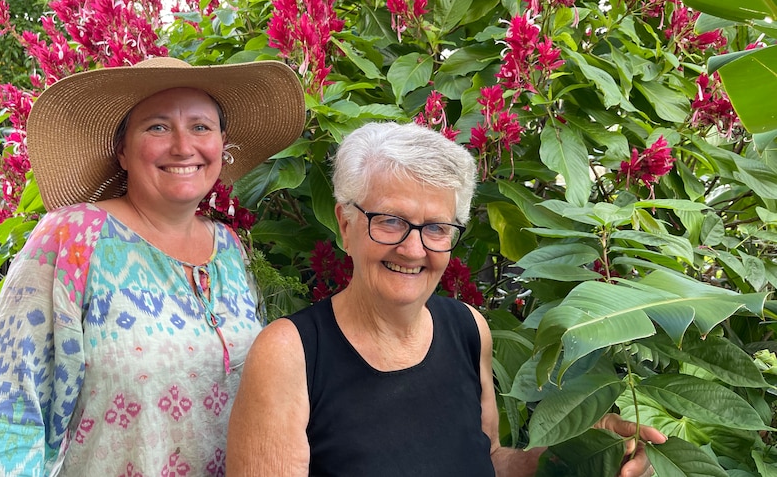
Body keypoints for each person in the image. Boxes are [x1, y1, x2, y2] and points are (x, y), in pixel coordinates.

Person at [225, 121, 666, 477]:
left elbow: (490, 461)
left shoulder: (468, 328)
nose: (413, 250)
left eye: (436, 228)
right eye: (391, 221)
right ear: (345, 224)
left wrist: (577, 456)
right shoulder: (289, 354)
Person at [0, 56, 305, 476]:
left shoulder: (229, 248)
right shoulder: (72, 237)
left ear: (222, 146)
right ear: (121, 150)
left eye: (201, 126)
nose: (183, 146)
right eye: (157, 126)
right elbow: (3, 409)